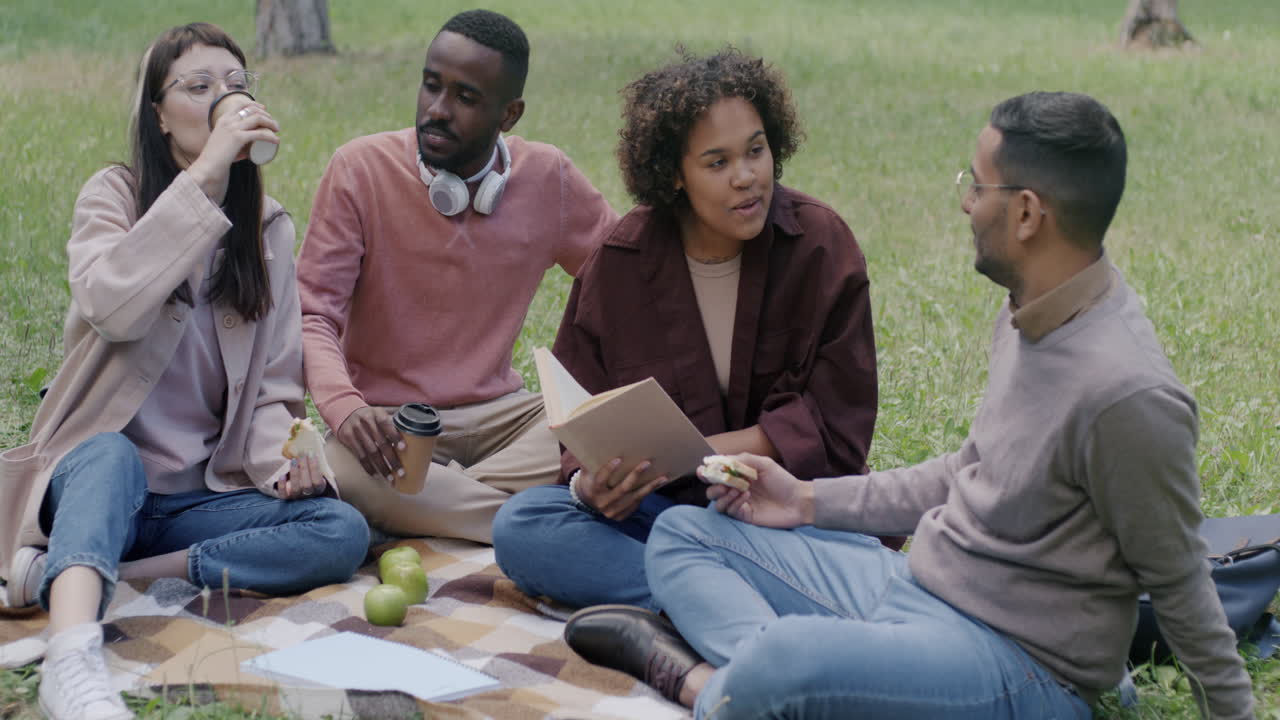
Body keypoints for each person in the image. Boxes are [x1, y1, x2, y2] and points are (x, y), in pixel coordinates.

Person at [564, 91, 1257, 718]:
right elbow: (970, 471)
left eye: (976, 184)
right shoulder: (1029, 313)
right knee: (689, 536)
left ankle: (703, 684)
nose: (964, 201)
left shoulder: (1126, 393)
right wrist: (804, 500)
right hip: (918, 590)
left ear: (1025, 214)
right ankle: (787, 688)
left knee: (786, 663)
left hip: (1018, 663)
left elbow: (1182, 584)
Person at [0, 23, 370, 720]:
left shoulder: (268, 230)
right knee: (111, 458)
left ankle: (83, 575)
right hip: (98, 480)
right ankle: (72, 657)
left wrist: (283, 461)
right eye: (198, 88)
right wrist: (206, 178)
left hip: (194, 502)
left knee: (340, 529)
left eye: (234, 87)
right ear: (158, 114)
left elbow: (274, 388)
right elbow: (112, 306)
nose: (222, 100)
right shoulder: (112, 195)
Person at [492, 49, 886, 613]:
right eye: (717, 162)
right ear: (674, 174)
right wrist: (593, 483)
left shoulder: (820, 245)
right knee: (522, 525)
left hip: (779, 517)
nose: (747, 177)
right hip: (660, 514)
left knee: (855, 542)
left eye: (756, 150)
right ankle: (735, 601)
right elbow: (582, 420)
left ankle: (693, 602)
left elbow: (838, 428)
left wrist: (689, 458)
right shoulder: (623, 259)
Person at [297, 9, 616, 544]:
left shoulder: (550, 178)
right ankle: (535, 521)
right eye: (430, 86)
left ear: (508, 114)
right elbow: (311, 315)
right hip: (391, 428)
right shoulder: (358, 170)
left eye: (466, 98)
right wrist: (345, 406)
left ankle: (434, 507)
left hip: (507, 421)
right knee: (344, 470)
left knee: (606, 429)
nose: (437, 111)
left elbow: (625, 280)